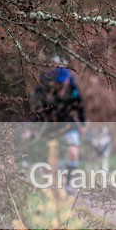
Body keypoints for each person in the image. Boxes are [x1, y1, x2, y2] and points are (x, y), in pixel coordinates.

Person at [29, 55, 87, 194]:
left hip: (67, 122)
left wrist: (82, 124)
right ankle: (48, 183)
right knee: (49, 155)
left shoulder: (72, 88)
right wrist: (31, 126)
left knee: (73, 151)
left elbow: (79, 107)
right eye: (58, 84)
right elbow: (35, 107)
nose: (61, 86)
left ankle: (69, 184)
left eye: (64, 83)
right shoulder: (44, 87)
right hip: (48, 122)